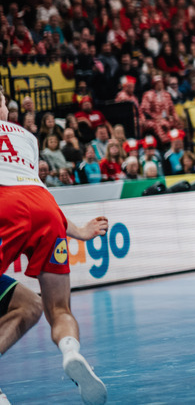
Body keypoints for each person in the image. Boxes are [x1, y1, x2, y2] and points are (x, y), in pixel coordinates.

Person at [0, 87, 109, 405]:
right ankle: (71, 352)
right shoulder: (25, 138)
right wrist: (78, 232)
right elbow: (33, 195)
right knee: (50, 308)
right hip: (45, 208)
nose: (6, 108)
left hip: (5, 204)